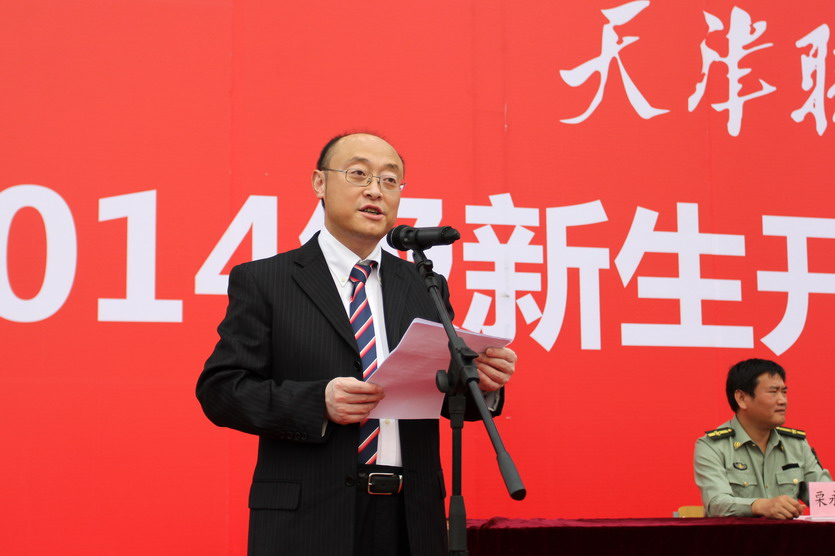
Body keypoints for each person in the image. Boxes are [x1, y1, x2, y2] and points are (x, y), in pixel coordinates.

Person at [196, 132, 517, 555]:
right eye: (359, 174)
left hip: (411, 518)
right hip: (309, 520)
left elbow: (441, 397)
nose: (375, 190)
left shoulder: (425, 284)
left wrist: (481, 384)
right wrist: (318, 403)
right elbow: (221, 390)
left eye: (390, 180)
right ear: (320, 183)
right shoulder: (266, 280)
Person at [694, 358, 831, 518]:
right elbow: (717, 504)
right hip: (736, 534)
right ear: (741, 398)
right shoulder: (712, 446)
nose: (783, 401)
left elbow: (827, 497)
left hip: (787, 534)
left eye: (784, 392)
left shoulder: (796, 444)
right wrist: (759, 506)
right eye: (773, 392)